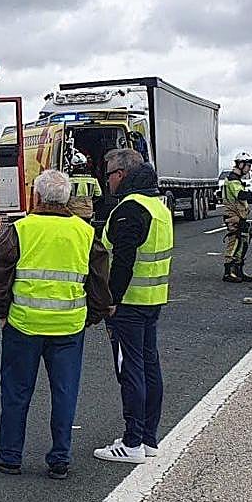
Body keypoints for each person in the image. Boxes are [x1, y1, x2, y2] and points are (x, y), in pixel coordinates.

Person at [0, 169, 112, 479]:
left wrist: (2, 312)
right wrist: (91, 316)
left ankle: (11, 456)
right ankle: (59, 459)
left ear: (37, 196)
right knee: (65, 392)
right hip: (69, 327)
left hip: (24, 325)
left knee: (16, 392)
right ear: (66, 198)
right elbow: (99, 282)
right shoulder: (85, 232)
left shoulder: (21, 229)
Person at [94, 148, 173, 465]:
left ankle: (131, 443)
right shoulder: (157, 206)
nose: (107, 180)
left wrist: (111, 299)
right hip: (152, 300)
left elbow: (123, 261)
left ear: (122, 175)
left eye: (110, 174)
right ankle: (148, 438)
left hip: (127, 305)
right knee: (150, 368)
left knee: (130, 370)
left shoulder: (128, 209)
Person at [222, 151, 252, 283]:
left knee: (242, 242)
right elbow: (240, 195)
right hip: (234, 216)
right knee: (235, 242)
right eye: (248, 165)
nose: (249, 168)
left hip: (238, 215)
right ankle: (229, 272)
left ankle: (238, 271)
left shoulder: (235, 179)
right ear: (241, 164)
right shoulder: (232, 180)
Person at [66, 151, 102, 222]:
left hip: (72, 213)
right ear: (85, 165)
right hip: (87, 213)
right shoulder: (92, 180)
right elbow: (98, 195)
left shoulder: (68, 180)